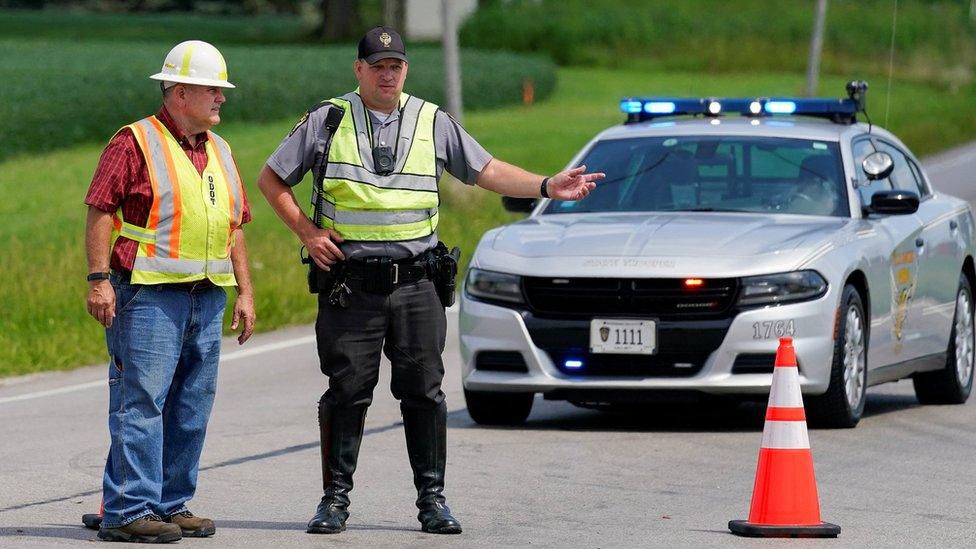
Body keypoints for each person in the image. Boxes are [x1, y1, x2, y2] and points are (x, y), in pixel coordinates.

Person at [257, 26, 602, 536]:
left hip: (416, 282)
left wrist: (547, 185)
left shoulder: (431, 120)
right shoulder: (327, 120)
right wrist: (307, 233)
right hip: (349, 285)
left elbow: (485, 170)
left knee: (424, 392)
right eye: (377, 65)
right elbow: (271, 178)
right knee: (347, 392)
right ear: (359, 71)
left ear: (405, 70)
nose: (387, 74)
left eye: (395, 65)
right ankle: (334, 502)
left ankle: (432, 500)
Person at [84, 40, 255, 544]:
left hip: (207, 296)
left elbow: (236, 227)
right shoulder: (133, 142)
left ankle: (169, 503)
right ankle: (128, 510)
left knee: (191, 406)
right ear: (180, 93)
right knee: (141, 401)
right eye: (212, 90)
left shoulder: (220, 151)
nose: (222, 99)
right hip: (147, 295)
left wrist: (244, 292)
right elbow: (99, 209)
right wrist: (98, 281)